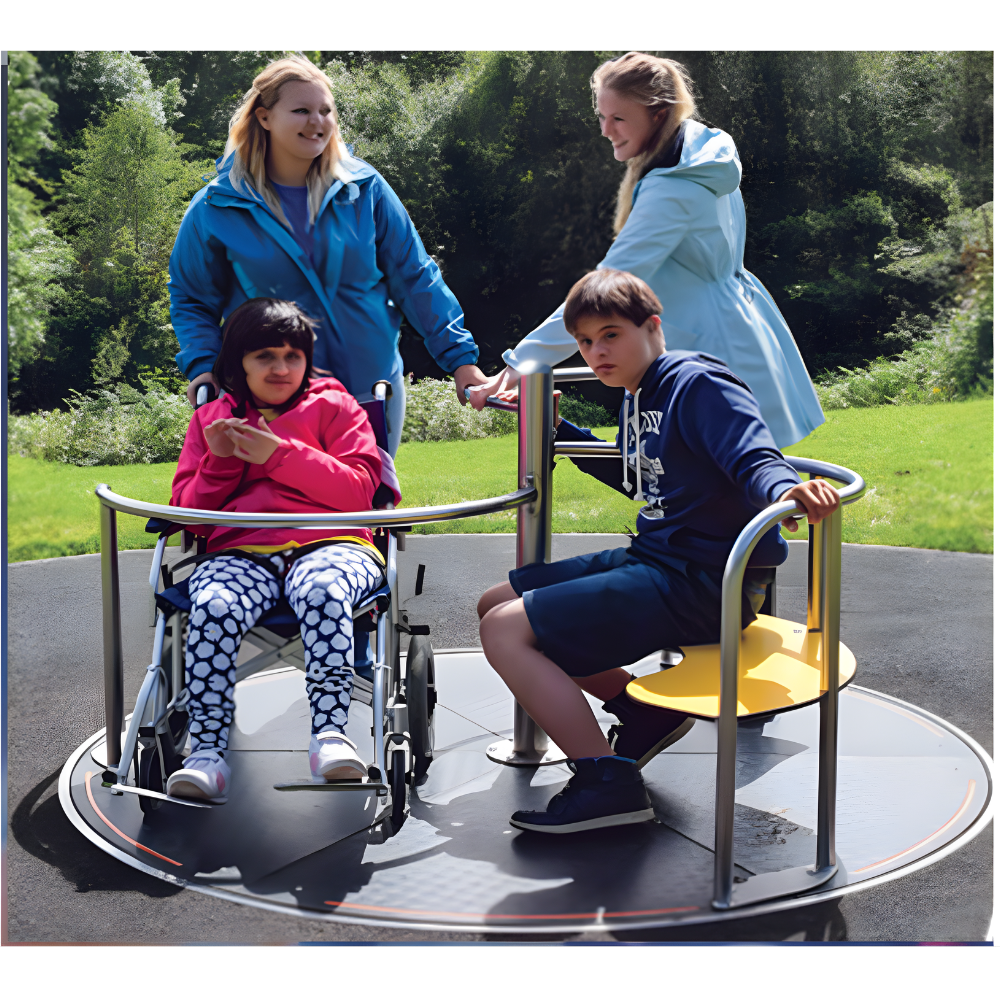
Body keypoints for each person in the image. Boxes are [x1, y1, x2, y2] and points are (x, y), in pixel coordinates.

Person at [476, 269, 839, 833]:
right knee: (494, 602)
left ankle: (606, 781)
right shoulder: (638, 392)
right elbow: (640, 479)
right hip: (661, 560)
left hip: (708, 583)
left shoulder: (696, 384)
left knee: (506, 630)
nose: (596, 352)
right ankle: (640, 712)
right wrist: (552, 424)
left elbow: (754, 457)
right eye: (585, 341)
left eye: (610, 335)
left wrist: (784, 491)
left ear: (652, 326)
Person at [469, 52, 823, 450]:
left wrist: (524, 361)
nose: (605, 130)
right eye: (601, 117)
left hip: (705, 352)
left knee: (708, 492)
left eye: (618, 118)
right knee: (697, 487)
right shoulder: (696, 158)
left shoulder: (672, 187)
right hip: (727, 330)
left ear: (658, 114)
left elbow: (604, 290)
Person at [169, 55, 488, 456]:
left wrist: (460, 360)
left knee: (366, 508)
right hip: (269, 400)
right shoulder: (215, 207)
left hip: (369, 388)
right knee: (285, 511)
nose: (317, 122)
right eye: (301, 110)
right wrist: (202, 366)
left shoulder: (365, 188)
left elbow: (415, 277)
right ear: (264, 117)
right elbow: (192, 299)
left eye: (325, 110)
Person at [164, 298, 398, 804]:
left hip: (331, 543)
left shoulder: (336, 407)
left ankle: (331, 736)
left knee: (323, 589)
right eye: (265, 356)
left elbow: (360, 490)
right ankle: (205, 753)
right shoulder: (211, 420)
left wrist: (278, 455)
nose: (281, 368)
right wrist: (222, 463)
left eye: (293, 356)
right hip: (241, 551)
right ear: (238, 362)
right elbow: (186, 512)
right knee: (215, 606)